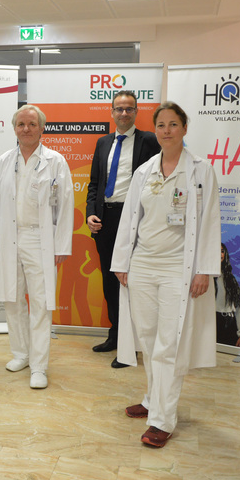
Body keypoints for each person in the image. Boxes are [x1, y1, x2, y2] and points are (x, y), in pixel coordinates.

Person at [112, 101, 220, 448]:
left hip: (178, 268)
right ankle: (151, 399)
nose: (167, 131)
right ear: (154, 130)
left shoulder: (201, 171)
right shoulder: (144, 171)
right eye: (161, 125)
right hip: (143, 265)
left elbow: (210, 222)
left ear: (185, 128)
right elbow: (131, 218)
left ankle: (162, 419)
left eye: (174, 124)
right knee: (147, 338)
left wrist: (204, 269)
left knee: (168, 344)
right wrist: (122, 262)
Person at [0, 104, 74, 389]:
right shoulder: (4, 161)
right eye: (21, 124)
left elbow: (66, 204)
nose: (26, 129)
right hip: (10, 236)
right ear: (14, 128)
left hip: (39, 238)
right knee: (12, 299)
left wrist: (61, 245)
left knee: (41, 302)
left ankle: (39, 365)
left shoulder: (55, 161)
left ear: (42, 128)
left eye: (32, 124)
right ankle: (21, 353)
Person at [86, 90, 160, 368]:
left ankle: (133, 346)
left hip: (134, 221)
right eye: (119, 109)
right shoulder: (103, 142)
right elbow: (94, 183)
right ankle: (115, 335)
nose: (124, 113)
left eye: (129, 109)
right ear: (112, 112)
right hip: (105, 220)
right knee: (109, 281)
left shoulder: (149, 141)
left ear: (137, 112)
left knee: (131, 282)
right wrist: (91, 213)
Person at [215, 243, 240, 348]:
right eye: (216, 251)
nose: (220, 254)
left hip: (229, 325)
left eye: (222, 251)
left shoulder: (231, 280)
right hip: (210, 323)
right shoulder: (205, 278)